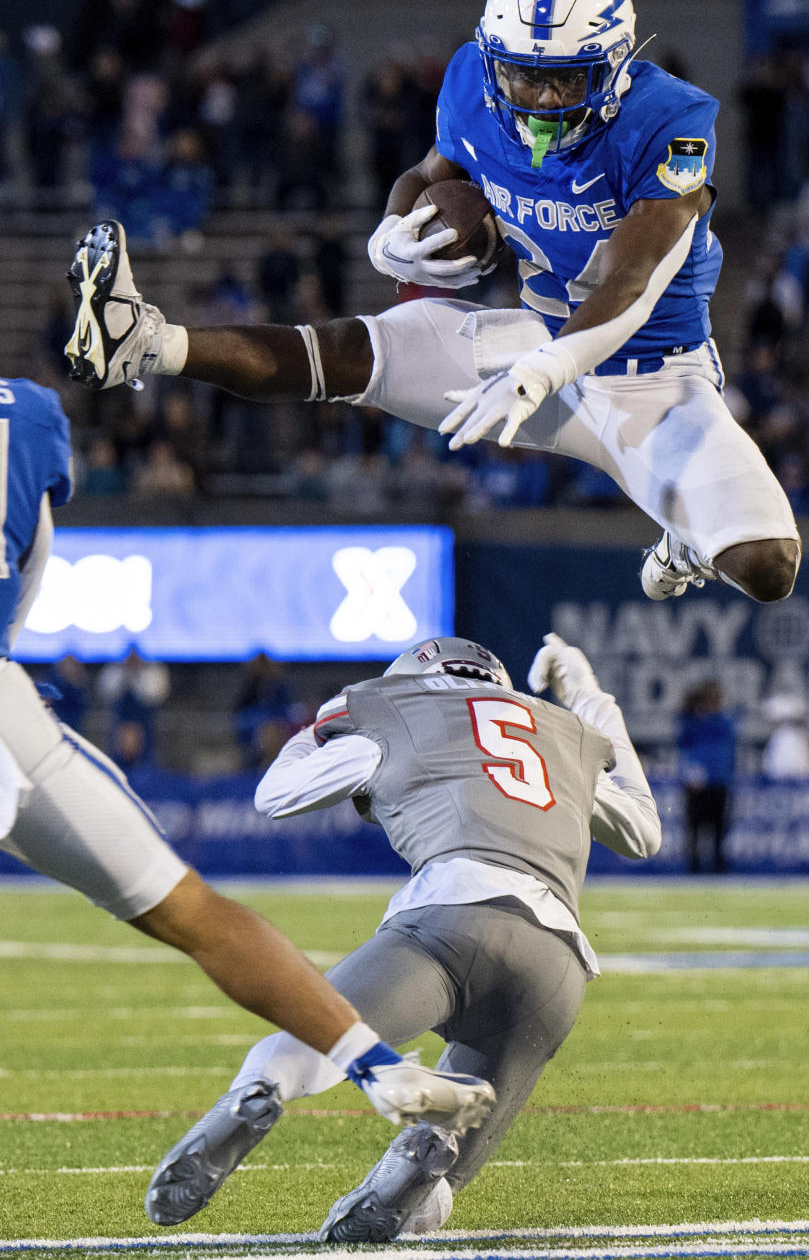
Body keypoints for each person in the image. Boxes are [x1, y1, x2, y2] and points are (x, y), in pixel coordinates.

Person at [64, 0, 800, 607]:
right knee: (354, 353)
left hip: (651, 380)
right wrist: (391, 234)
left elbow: (631, 277)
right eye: (520, 74)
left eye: (563, 78)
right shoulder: (472, 87)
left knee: (766, 564)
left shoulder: (668, 121)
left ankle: (686, 538)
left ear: (614, 66)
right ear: (491, 58)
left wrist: (545, 372)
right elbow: (429, 175)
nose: (539, 100)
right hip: (534, 343)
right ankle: (144, 342)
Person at [0, 375, 495, 1154]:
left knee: (191, 908)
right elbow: (31, 561)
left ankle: (374, 1065)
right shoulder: (24, 412)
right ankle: (377, 1068)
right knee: (190, 909)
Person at [144, 632, 662, 1239]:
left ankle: (261, 1091)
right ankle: (416, 1171)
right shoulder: (560, 732)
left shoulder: (398, 712)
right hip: (557, 961)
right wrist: (590, 697)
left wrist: (315, 733)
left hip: (451, 914)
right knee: (452, 1160)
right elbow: (644, 833)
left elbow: (276, 795)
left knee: (321, 1032)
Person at [676, 680, 736, 873]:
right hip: (697, 783)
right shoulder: (692, 723)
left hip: (718, 781)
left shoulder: (724, 721)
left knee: (718, 828)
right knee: (694, 828)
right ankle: (693, 868)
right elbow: (683, 743)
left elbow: (728, 749)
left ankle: (719, 867)